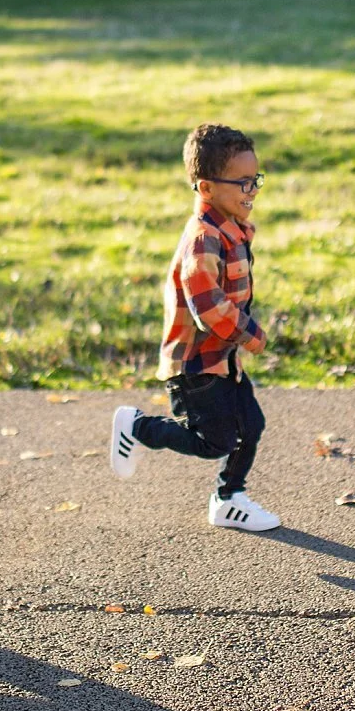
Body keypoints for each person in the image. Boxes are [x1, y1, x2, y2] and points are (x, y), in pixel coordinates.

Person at [108, 124, 280, 531]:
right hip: (195, 365)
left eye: (255, 180)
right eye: (242, 183)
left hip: (221, 360)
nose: (252, 190)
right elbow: (210, 310)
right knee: (214, 440)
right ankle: (138, 427)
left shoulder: (231, 227)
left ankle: (228, 499)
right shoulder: (203, 239)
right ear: (205, 187)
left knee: (250, 426)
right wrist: (252, 334)